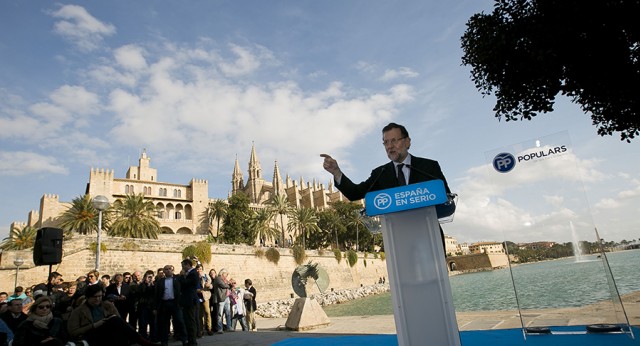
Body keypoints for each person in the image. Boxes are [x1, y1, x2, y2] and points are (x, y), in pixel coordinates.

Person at [321, 122, 453, 246]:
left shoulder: (429, 167)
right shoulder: (380, 173)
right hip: (398, 242)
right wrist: (336, 172)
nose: (389, 146)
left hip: (430, 236)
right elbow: (354, 193)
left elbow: (447, 198)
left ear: (407, 142)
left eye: (394, 141)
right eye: (386, 142)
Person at [67, 284, 156, 346]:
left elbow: (120, 323)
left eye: (100, 296)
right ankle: (143, 342)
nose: (97, 299)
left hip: (109, 333)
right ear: (87, 297)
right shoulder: (78, 311)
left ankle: (141, 341)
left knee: (118, 330)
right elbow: (73, 332)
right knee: (114, 320)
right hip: (91, 335)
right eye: (95, 297)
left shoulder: (107, 305)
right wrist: (94, 325)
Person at [154, 264, 187, 346]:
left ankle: (184, 339)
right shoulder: (160, 281)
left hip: (175, 303)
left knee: (179, 321)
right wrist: (155, 307)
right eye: (166, 269)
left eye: (170, 269)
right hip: (164, 304)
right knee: (164, 323)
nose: (168, 270)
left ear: (172, 270)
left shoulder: (178, 278)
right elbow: (157, 295)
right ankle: (164, 341)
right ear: (164, 271)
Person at [179, 259, 199, 346]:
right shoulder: (191, 273)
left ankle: (193, 341)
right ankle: (190, 340)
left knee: (191, 321)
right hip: (187, 300)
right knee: (187, 321)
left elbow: (186, 283)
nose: (182, 268)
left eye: (183, 265)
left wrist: (182, 276)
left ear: (187, 265)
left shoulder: (193, 273)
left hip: (190, 300)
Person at [196, 265, 213, 336]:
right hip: (197, 297)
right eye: (198, 269)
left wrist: (209, 285)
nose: (199, 270)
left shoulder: (206, 276)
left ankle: (209, 328)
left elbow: (211, 286)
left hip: (205, 297)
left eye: (200, 269)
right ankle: (200, 330)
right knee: (199, 315)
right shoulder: (194, 277)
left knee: (207, 312)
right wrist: (197, 291)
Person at [213, 269, 231, 333]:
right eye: (226, 274)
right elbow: (223, 285)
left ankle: (229, 327)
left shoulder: (225, 279)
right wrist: (229, 285)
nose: (227, 276)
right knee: (220, 314)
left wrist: (229, 284)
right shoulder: (218, 278)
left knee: (228, 313)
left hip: (226, 297)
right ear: (222, 273)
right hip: (221, 298)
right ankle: (220, 328)